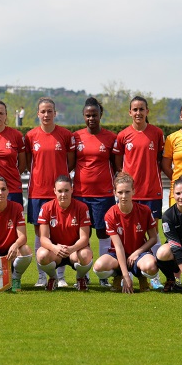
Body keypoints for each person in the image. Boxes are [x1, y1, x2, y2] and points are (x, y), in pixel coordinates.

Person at [25, 97, 75, 287]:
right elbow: (29, 163)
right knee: (40, 234)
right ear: (38, 113)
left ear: (55, 113)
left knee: (61, 232)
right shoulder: (30, 136)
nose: (46, 115)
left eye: (49, 111)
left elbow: (70, 162)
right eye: (43, 111)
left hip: (59, 192)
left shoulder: (65, 135)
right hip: (38, 192)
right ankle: (42, 276)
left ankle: (60, 276)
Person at [92, 172, 162, 293]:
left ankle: (142, 277)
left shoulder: (144, 211)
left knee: (151, 267)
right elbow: (118, 247)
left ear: (133, 191)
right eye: (120, 192)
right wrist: (125, 276)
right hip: (117, 253)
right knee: (99, 268)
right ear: (114, 193)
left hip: (140, 254)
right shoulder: (110, 214)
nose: (123, 196)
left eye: (127, 192)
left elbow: (153, 238)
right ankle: (118, 276)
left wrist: (137, 252)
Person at [72, 97, 117, 287]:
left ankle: (103, 274)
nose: (91, 118)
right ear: (84, 116)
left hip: (103, 195)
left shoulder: (111, 138)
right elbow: (70, 163)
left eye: (95, 115)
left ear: (101, 115)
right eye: (88, 115)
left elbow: (116, 167)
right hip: (80, 194)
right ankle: (84, 274)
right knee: (83, 234)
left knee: (103, 233)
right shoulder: (76, 137)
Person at [37, 176, 93, 291]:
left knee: (86, 255)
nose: (63, 194)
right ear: (54, 191)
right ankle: (53, 278)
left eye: (66, 190)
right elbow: (43, 238)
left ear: (72, 189)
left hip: (75, 251)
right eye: (60, 191)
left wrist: (72, 248)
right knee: (41, 255)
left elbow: (84, 238)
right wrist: (54, 247)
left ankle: (80, 278)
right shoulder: (46, 208)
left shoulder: (82, 207)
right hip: (55, 252)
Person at [113, 96, 164, 221]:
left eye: (141, 109)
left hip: (151, 191)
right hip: (130, 192)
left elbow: (160, 159)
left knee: (153, 231)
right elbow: (118, 162)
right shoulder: (122, 135)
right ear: (130, 112)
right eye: (135, 110)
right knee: (131, 228)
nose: (138, 113)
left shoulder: (157, 133)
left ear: (147, 111)